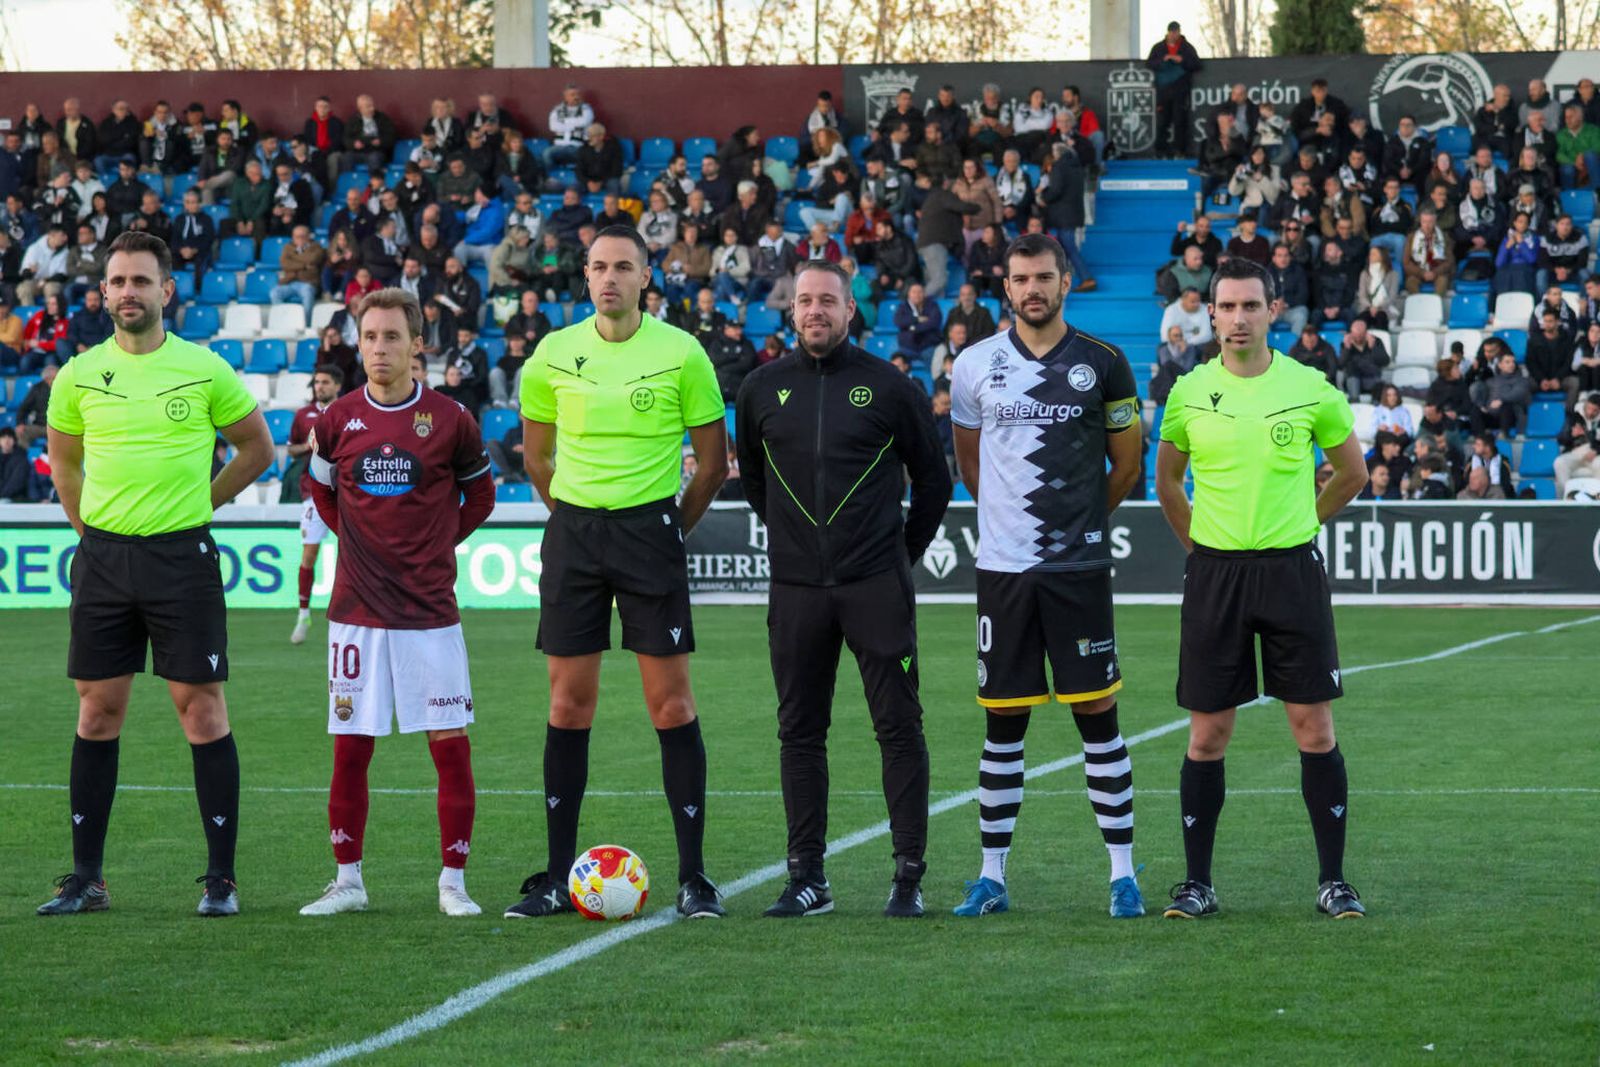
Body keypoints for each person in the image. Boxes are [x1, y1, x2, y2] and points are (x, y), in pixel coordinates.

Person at [38, 231, 274, 917]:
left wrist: (205, 501)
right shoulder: (78, 375)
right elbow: (65, 465)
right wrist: (92, 535)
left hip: (182, 559)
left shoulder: (204, 369)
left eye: (141, 281)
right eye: (118, 282)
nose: (129, 292)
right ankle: (87, 878)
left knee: (200, 710)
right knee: (97, 710)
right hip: (105, 561)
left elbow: (257, 448)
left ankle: (221, 879)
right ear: (104, 292)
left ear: (165, 290)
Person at [509, 226, 730, 920]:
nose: (609, 277)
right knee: (568, 704)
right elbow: (537, 459)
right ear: (585, 275)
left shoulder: (682, 353)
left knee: (671, 703)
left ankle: (694, 877)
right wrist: (576, 519)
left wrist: (665, 529)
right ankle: (553, 876)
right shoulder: (551, 354)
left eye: (623, 267)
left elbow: (713, 465)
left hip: (649, 533)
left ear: (646, 277)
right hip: (574, 535)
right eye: (599, 266)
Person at [1154, 256, 1369, 921]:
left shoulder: (1311, 387)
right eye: (1228, 306)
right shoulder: (1188, 392)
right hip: (1216, 575)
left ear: (1274, 310)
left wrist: (1305, 521)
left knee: (1312, 724)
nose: (1239, 317)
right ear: (1210, 312)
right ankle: (1198, 883)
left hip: (1291, 573)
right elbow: (1166, 482)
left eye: (1252, 305)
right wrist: (1201, 548)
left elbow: (1351, 473)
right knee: (1208, 732)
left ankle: (1332, 880)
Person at [733, 260, 950, 917]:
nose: (816, 310)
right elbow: (754, 482)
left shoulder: (890, 387)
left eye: (829, 300)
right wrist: (798, 547)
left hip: (875, 587)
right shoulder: (761, 388)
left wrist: (895, 557)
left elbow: (934, 481)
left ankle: (908, 878)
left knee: (898, 727)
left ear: (851, 309)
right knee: (799, 731)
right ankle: (808, 878)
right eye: (805, 301)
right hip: (797, 590)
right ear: (791, 311)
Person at [949, 233, 1146, 920]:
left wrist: (1080, 520)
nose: (1032, 289)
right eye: (1020, 278)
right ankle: (990, 876)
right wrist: (1014, 526)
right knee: (1004, 721)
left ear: (1066, 281)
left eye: (1044, 277)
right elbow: (970, 466)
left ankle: (1123, 874)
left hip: (1079, 568)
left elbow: (1127, 467)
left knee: (1098, 715)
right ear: (1004, 287)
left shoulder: (1106, 363)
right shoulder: (973, 365)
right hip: (1003, 570)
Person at [299, 289, 494, 918]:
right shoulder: (336, 421)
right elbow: (323, 491)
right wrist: (354, 542)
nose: (379, 348)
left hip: (429, 614)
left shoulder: (452, 419)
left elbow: (481, 498)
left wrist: (437, 544)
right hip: (355, 614)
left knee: (449, 745)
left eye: (391, 337)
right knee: (351, 747)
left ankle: (453, 884)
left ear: (417, 346)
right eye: (370, 337)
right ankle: (347, 881)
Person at [286, 366, 341, 645]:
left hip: (346, 493)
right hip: (313, 493)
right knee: (309, 555)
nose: (319, 386)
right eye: (317, 382)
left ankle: (353, 609)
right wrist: (309, 446)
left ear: (337, 385)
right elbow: (291, 449)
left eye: (325, 382)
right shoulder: (303, 415)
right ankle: (303, 614)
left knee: (355, 553)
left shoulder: (348, 411)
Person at [1146, 21, 1201, 159]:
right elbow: (1149, 63)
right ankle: (1160, 151)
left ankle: (1179, 151)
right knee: (1163, 121)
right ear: (1168, 32)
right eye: (1171, 31)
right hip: (1163, 91)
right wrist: (1163, 60)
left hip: (1180, 91)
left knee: (1179, 120)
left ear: (1179, 32)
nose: (1173, 34)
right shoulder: (1159, 47)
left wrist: (1181, 60)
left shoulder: (1186, 48)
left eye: (1176, 31)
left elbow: (1196, 64)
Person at [1338, 318, 1389, 401]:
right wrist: (1346, 349)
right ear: (1351, 333)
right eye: (1355, 335)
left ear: (1366, 333)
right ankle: (1354, 401)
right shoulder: (1346, 344)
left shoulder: (1376, 341)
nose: (1357, 338)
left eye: (1360, 335)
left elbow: (1385, 361)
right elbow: (1340, 365)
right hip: (1352, 381)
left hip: (1371, 380)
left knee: (1380, 385)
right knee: (1351, 368)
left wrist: (1373, 348)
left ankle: (1375, 407)